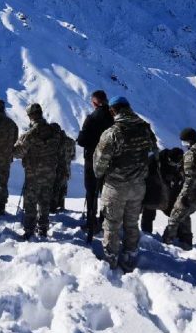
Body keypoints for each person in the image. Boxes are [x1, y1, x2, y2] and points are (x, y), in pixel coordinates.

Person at [93, 96, 158, 271]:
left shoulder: (113, 133)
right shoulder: (145, 128)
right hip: (138, 186)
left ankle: (111, 259)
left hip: (116, 186)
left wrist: (101, 174)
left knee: (112, 224)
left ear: (113, 111)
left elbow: (99, 165)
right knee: (131, 222)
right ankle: (130, 254)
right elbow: (154, 150)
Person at [162, 128, 196, 250]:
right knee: (184, 214)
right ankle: (186, 242)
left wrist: (184, 196)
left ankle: (167, 244)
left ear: (188, 140)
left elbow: (190, 179)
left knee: (175, 215)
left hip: (194, 191)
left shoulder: (191, 155)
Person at [13, 103, 61, 239]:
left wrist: (15, 146)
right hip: (50, 172)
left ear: (30, 116)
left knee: (30, 201)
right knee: (45, 201)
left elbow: (18, 153)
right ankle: (43, 229)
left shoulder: (29, 134)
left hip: (33, 173)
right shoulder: (54, 131)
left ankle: (29, 230)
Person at [76, 90, 113, 241]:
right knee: (107, 193)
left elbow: (82, 141)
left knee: (91, 192)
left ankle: (91, 223)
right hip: (111, 162)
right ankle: (104, 221)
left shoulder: (91, 118)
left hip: (92, 160)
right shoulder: (114, 117)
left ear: (94, 102)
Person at [140, 148, 184, 234]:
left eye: (175, 163)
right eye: (172, 162)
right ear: (168, 157)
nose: (173, 164)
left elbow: (176, 175)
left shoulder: (176, 162)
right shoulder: (154, 160)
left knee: (174, 213)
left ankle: (176, 235)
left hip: (166, 192)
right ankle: (147, 234)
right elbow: (144, 175)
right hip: (151, 191)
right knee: (149, 212)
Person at [50, 122, 76, 213]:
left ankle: (52, 208)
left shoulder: (54, 141)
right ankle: (61, 206)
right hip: (66, 169)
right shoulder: (71, 141)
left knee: (54, 188)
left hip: (56, 169)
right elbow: (73, 156)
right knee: (63, 187)